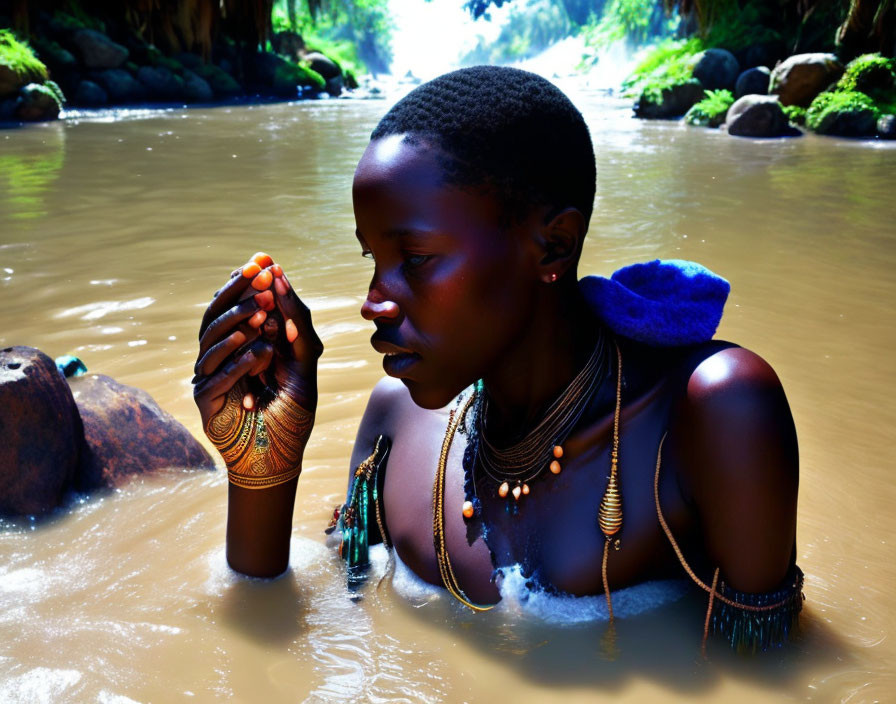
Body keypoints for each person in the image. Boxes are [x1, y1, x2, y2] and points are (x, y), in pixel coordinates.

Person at [192, 66, 803, 653]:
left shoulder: (712, 413)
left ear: (552, 245)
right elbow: (317, 627)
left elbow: (768, 671)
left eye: (416, 257)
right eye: (371, 261)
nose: (374, 303)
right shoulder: (396, 422)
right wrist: (261, 472)